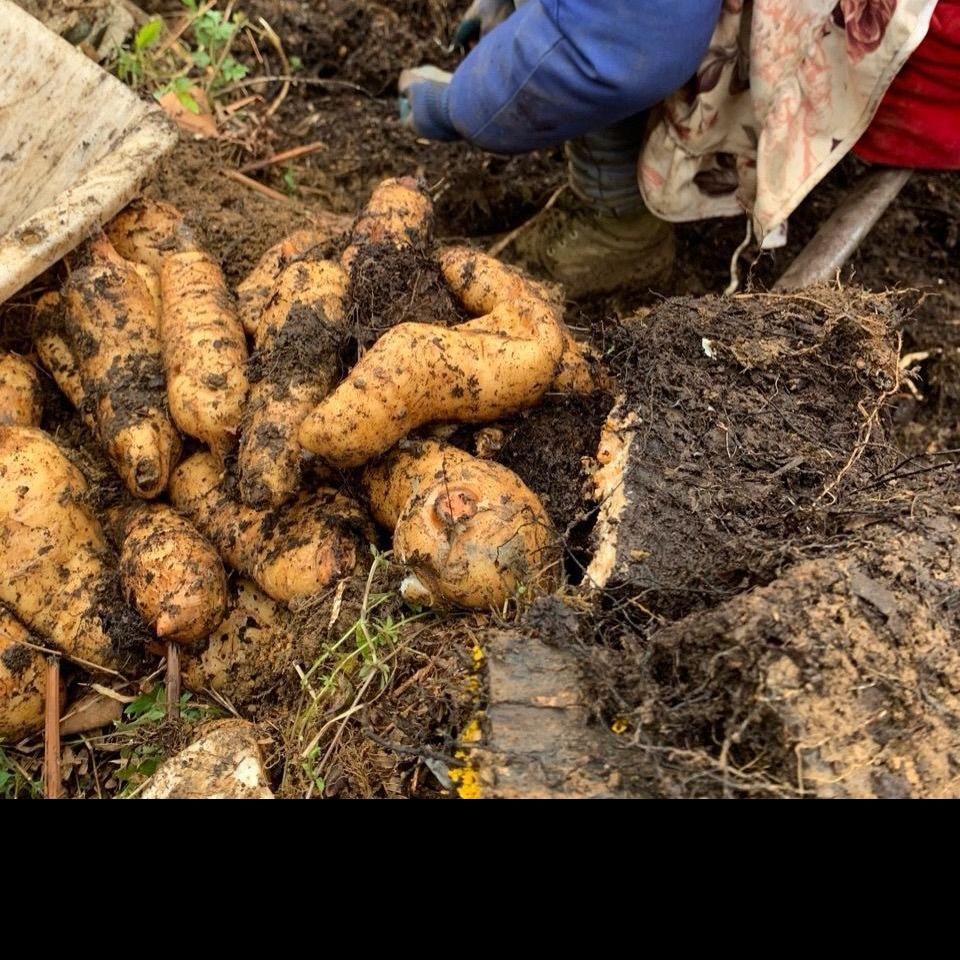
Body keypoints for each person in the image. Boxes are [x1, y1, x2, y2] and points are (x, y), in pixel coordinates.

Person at [399, 1, 959, 297]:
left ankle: (614, 227)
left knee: (611, 32)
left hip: (927, 61)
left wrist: (459, 106)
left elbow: (622, 45)